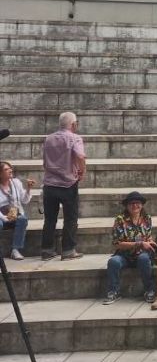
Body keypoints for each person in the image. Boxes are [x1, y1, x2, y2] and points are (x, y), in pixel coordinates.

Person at [40, 110, 85, 260]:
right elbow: (80, 156)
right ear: (73, 124)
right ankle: (68, 250)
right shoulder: (75, 138)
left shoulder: (48, 139)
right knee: (70, 218)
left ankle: (47, 250)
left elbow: (45, 161)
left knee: (49, 219)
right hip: (68, 183)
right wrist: (82, 171)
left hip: (49, 183)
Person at [103, 192, 156, 304]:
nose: (135, 205)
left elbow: (148, 236)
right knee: (113, 262)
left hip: (142, 254)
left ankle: (149, 290)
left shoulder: (147, 218)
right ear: (127, 206)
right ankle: (113, 291)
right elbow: (117, 243)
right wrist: (139, 244)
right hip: (125, 255)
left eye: (137, 203)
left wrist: (150, 242)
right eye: (131, 203)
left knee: (144, 258)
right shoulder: (120, 219)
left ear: (142, 205)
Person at [0, 160, 34, 261]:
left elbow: (24, 200)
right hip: (1, 215)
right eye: (6, 169)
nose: (10, 170)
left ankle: (15, 250)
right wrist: (4, 218)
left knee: (22, 219)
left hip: (14, 213)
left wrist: (28, 189)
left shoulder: (16, 183)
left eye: (10, 168)